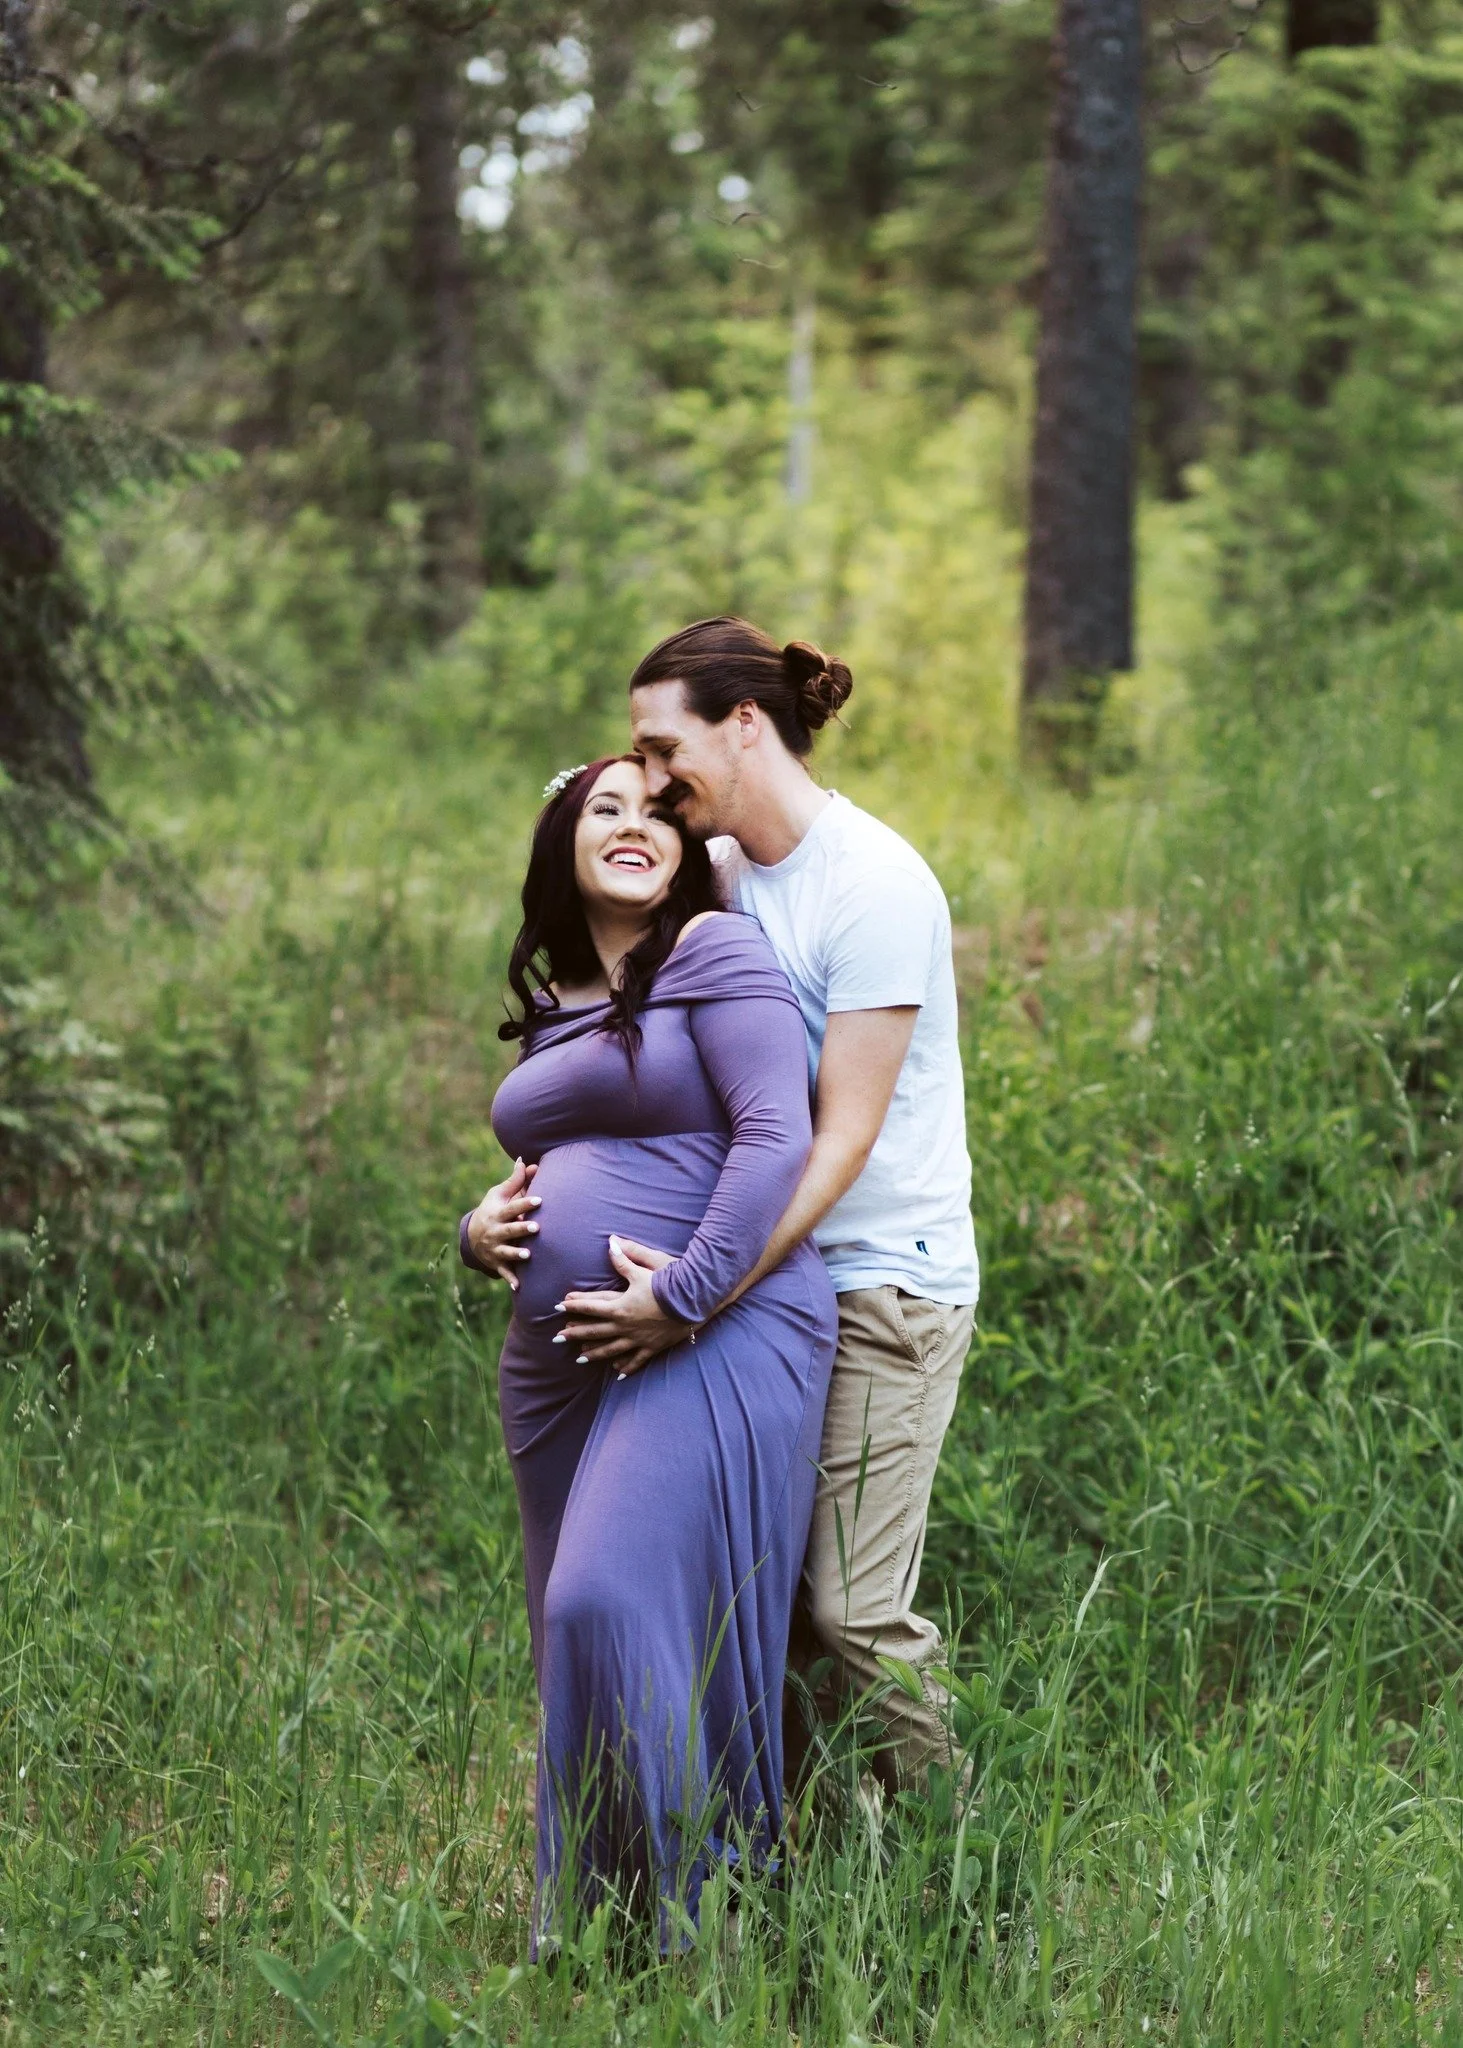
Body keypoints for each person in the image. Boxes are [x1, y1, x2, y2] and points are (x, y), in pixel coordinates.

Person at [477, 617, 981, 1795]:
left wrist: (696, 1293)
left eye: (662, 749)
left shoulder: (874, 885)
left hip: (878, 1278)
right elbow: (643, 1074)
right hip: (767, 1283)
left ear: (742, 724)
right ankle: (816, 1878)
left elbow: (832, 1139)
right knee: (761, 1608)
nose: (648, 780)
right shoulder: (724, 878)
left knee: (850, 1611)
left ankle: (966, 1869)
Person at [459, 753, 836, 1946]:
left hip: (714, 1322)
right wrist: (473, 1227)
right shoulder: (564, 990)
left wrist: (683, 1291)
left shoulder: (713, 954)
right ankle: (601, 1919)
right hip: (561, 1364)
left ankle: (708, 1904)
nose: (631, 823)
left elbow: (778, 1135)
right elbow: (546, 1160)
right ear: (560, 846)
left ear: (684, 851)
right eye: (600, 808)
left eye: (654, 810)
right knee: (575, 1630)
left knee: (603, 1598)